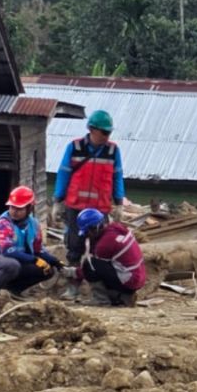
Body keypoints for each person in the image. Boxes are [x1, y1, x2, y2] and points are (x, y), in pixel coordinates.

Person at [52, 110, 126, 299]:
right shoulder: (75, 147)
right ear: (92, 130)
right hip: (75, 207)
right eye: (105, 132)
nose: (108, 136)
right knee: (74, 249)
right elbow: (63, 173)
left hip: (99, 210)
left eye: (109, 133)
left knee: (100, 251)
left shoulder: (112, 151)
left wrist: (119, 202)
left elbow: (117, 176)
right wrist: (57, 200)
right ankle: (73, 288)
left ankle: (98, 291)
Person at [0, 186, 63, 297]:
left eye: (19, 208)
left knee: (47, 270)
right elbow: (8, 251)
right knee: (12, 265)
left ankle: (14, 291)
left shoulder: (34, 224)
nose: (14, 211)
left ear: (29, 208)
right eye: (12, 207)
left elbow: (38, 250)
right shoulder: (3, 223)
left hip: (12, 260)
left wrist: (55, 262)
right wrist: (34, 259)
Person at [71, 208, 147, 306]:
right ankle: (121, 296)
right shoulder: (115, 228)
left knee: (89, 265)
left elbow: (95, 269)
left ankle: (103, 300)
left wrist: (73, 272)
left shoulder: (104, 244)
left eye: (87, 232)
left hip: (130, 280)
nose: (86, 235)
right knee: (97, 266)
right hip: (137, 276)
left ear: (95, 228)